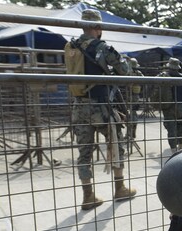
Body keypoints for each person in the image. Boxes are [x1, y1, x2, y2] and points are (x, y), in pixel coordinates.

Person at [66, 9, 136, 210]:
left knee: (84, 153)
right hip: (100, 106)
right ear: (98, 27)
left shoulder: (71, 46)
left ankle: (88, 196)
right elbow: (125, 71)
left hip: (79, 106)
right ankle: (119, 187)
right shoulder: (102, 47)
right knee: (116, 144)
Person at [158, 57, 182, 153]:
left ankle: (173, 151)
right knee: (181, 127)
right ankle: (181, 148)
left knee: (171, 130)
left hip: (168, 107)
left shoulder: (163, 77)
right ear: (178, 67)